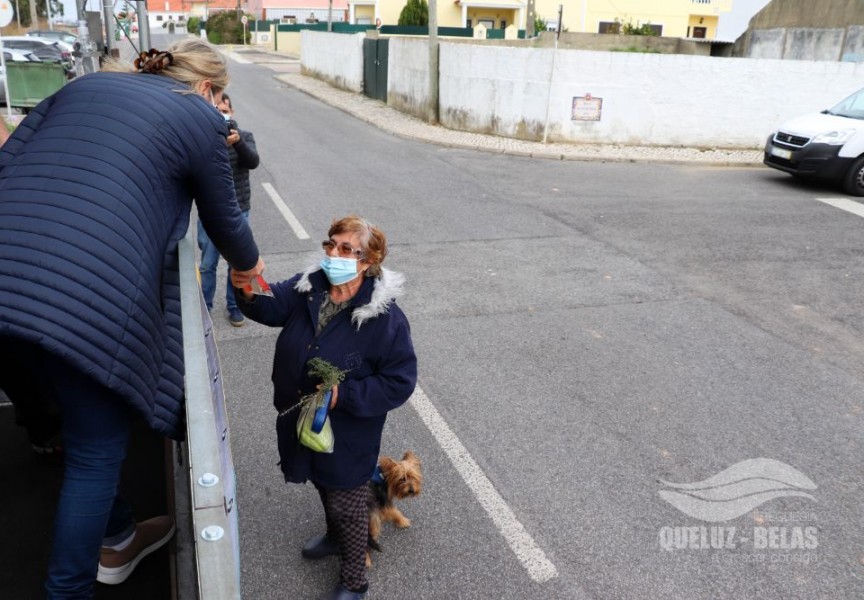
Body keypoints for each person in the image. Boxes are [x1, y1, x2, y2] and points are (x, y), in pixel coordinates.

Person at [0, 39, 265, 598]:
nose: (224, 110)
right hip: (76, 296)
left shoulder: (84, 85)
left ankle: (120, 533)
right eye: (223, 98)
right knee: (97, 452)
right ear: (206, 88)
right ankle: (67, 591)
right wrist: (249, 271)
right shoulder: (199, 115)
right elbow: (227, 220)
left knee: (56, 409)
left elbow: (8, 161)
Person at [234, 216, 417, 600]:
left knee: (349, 502)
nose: (334, 253)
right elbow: (269, 307)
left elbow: (399, 381)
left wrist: (343, 395)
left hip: (350, 432)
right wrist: (248, 288)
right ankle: (336, 538)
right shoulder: (309, 288)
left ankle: (354, 581)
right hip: (303, 418)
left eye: (346, 249)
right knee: (321, 480)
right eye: (331, 244)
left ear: (368, 260)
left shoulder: (385, 320)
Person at [197, 92, 260, 326]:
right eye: (217, 111)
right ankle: (206, 308)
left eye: (225, 111)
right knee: (207, 264)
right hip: (209, 211)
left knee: (237, 262)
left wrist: (237, 143)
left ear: (232, 113)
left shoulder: (244, 136)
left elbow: (253, 162)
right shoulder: (205, 140)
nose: (222, 114)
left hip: (238, 210)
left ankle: (234, 306)